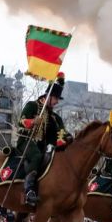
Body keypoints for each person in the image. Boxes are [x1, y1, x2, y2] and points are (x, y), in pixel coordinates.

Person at [16, 73, 70, 207]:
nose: (57, 102)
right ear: (48, 96)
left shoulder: (55, 118)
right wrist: (33, 122)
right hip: (27, 141)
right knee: (36, 156)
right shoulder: (32, 106)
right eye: (55, 98)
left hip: (44, 146)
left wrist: (67, 137)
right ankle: (29, 190)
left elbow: (61, 132)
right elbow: (21, 122)